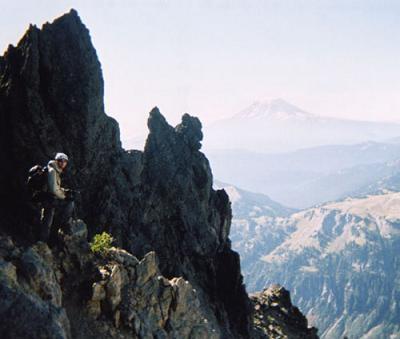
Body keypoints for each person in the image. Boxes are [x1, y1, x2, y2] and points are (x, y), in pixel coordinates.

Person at [40, 152, 75, 244]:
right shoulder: (52, 171)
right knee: (47, 220)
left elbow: (55, 187)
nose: (63, 163)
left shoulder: (55, 170)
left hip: (48, 198)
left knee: (48, 219)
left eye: (65, 161)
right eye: (60, 161)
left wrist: (64, 191)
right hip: (48, 199)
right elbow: (53, 190)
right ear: (56, 160)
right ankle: (43, 243)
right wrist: (65, 197)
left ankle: (46, 240)